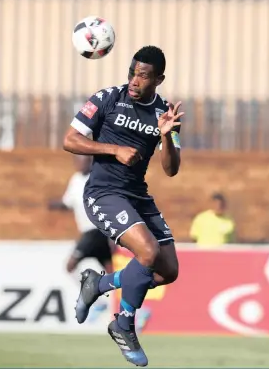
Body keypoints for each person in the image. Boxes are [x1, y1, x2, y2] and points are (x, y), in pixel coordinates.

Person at [63, 46, 183, 367]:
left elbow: (171, 169)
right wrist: (114, 149)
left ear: (159, 78)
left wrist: (167, 137)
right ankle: (123, 324)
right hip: (103, 193)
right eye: (132, 72)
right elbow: (70, 140)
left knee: (168, 270)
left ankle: (99, 284)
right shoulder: (107, 98)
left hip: (137, 195)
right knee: (147, 253)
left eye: (143, 75)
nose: (134, 80)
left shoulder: (166, 112)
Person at [48, 154, 113, 275]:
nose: (79, 163)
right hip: (89, 231)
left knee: (70, 266)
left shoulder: (97, 180)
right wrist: (55, 205)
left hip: (94, 230)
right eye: (77, 160)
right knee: (110, 269)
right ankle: (113, 292)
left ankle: (89, 290)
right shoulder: (76, 179)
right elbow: (68, 202)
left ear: (90, 161)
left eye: (83, 160)